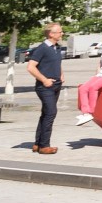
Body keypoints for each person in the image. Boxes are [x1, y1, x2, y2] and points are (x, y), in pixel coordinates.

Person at [25, 23, 66, 154]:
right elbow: (31, 67)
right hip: (45, 87)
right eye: (60, 32)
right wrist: (44, 80)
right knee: (50, 113)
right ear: (51, 34)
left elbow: (57, 63)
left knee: (45, 114)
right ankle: (44, 146)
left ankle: (37, 143)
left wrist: (61, 74)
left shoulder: (56, 48)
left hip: (56, 85)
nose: (62, 34)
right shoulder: (42, 48)